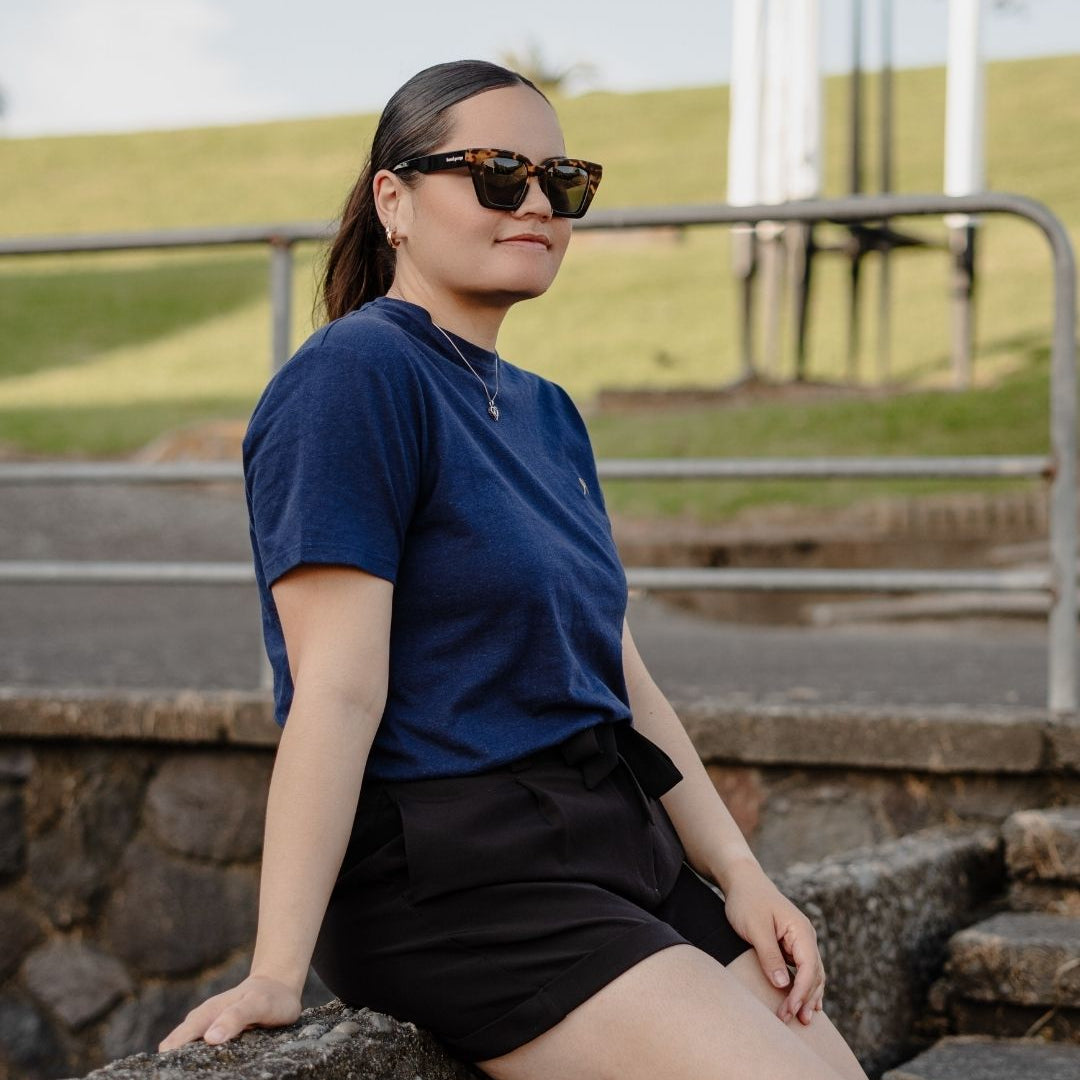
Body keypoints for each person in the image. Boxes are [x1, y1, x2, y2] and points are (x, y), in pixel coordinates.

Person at [158, 59, 869, 1080]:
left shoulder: (549, 414)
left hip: (609, 849)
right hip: (458, 875)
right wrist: (275, 972)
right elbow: (338, 690)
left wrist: (742, 875)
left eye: (563, 180)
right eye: (496, 173)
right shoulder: (353, 379)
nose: (536, 201)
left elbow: (616, 673)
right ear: (392, 201)